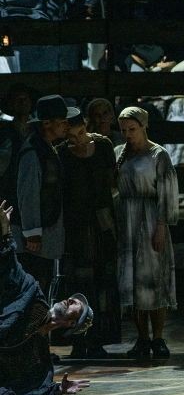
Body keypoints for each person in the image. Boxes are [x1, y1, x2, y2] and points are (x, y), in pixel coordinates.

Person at [0, 201, 91, 395]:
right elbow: (11, 269)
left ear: (71, 324)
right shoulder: (32, 293)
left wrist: (57, 388)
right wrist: (6, 233)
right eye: (73, 299)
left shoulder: (40, 355)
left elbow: (34, 385)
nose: (70, 300)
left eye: (75, 306)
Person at [113, 106, 179, 359]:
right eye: (123, 130)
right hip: (127, 219)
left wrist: (161, 226)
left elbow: (167, 191)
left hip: (151, 219)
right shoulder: (119, 153)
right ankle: (141, 337)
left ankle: (158, 337)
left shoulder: (158, 154)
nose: (128, 134)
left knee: (153, 280)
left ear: (143, 126)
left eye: (132, 129)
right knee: (132, 281)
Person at [60, 113, 120, 358]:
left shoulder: (103, 146)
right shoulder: (62, 153)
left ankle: (98, 340)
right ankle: (79, 341)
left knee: (103, 281)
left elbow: (113, 181)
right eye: (72, 136)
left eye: (81, 133)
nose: (78, 140)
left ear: (86, 126)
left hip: (102, 223)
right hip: (76, 226)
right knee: (79, 284)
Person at [12, 95, 77, 298]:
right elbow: (27, 193)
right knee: (34, 288)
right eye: (62, 121)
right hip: (33, 241)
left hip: (45, 232)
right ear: (47, 123)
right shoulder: (33, 151)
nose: (67, 126)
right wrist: (32, 233)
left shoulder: (46, 148)